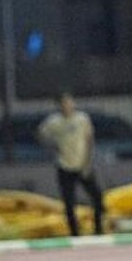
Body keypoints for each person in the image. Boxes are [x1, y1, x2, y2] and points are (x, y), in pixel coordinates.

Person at [38, 93, 105, 236]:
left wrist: (87, 162)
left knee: (97, 197)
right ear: (59, 106)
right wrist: (53, 147)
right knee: (69, 202)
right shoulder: (54, 122)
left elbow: (89, 140)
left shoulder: (82, 119)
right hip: (65, 166)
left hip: (82, 165)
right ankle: (74, 232)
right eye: (64, 104)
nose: (67, 106)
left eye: (69, 103)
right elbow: (41, 135)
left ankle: (98, 228)